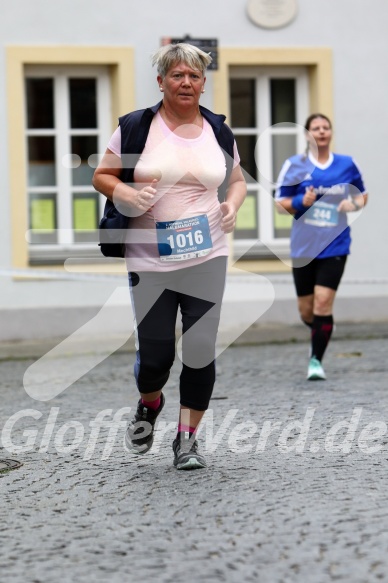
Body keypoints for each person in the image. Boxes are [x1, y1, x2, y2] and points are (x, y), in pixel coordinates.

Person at [92, 43, 246, 469]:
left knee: (200, 349)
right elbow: (102, 175)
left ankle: (187, 440)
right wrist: (125, 191)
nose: (186, 82)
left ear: (202, 83)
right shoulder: (137, 127)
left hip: (207, 253)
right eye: (177, 75)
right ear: (161, 81)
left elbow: (236, 181)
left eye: (194, 76)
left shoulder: (218, 129)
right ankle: (150, 403)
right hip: (149, 259)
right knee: (156, 357)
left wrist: (232, 205)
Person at [275, 113, 368, 381]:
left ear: (330, 133)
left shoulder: (347, 164)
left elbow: (363, 194)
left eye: (326, 127)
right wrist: (302, 201)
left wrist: (353, 204)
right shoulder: (294, 165)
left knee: (323, 302)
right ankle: (321, 327)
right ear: (307, 135)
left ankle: (315, 360)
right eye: (316, 128)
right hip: (303, 247)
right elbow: (280, 203)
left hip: (335, 244)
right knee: (307, 310)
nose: (322, 131)